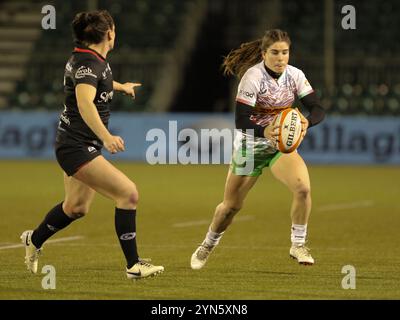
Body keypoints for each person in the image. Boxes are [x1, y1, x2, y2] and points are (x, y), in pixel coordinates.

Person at [20, 10, 164, 279]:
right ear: (109, 33)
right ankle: (133, 265)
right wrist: (107, 137)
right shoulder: (90, 64)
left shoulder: (91, 60)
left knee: (76, 208)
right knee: (128, 194)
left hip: (75, 142)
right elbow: (85, 101)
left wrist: (122, 87)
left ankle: (34, 240)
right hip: (77, 146)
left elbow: (98, 84)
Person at [190, 29, 325, 269]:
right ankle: (208, 244)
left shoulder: (295, 75)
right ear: (264, 54)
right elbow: (241, 120)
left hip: (279, 147)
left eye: (285, 52)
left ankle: (298, 244)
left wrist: (307, 121)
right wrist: (265, 132)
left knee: (303, 188)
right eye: (274, 52)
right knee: (230, 207)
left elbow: (317, 108)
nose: (280, 58)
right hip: (251, 146)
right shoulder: (252, 78)